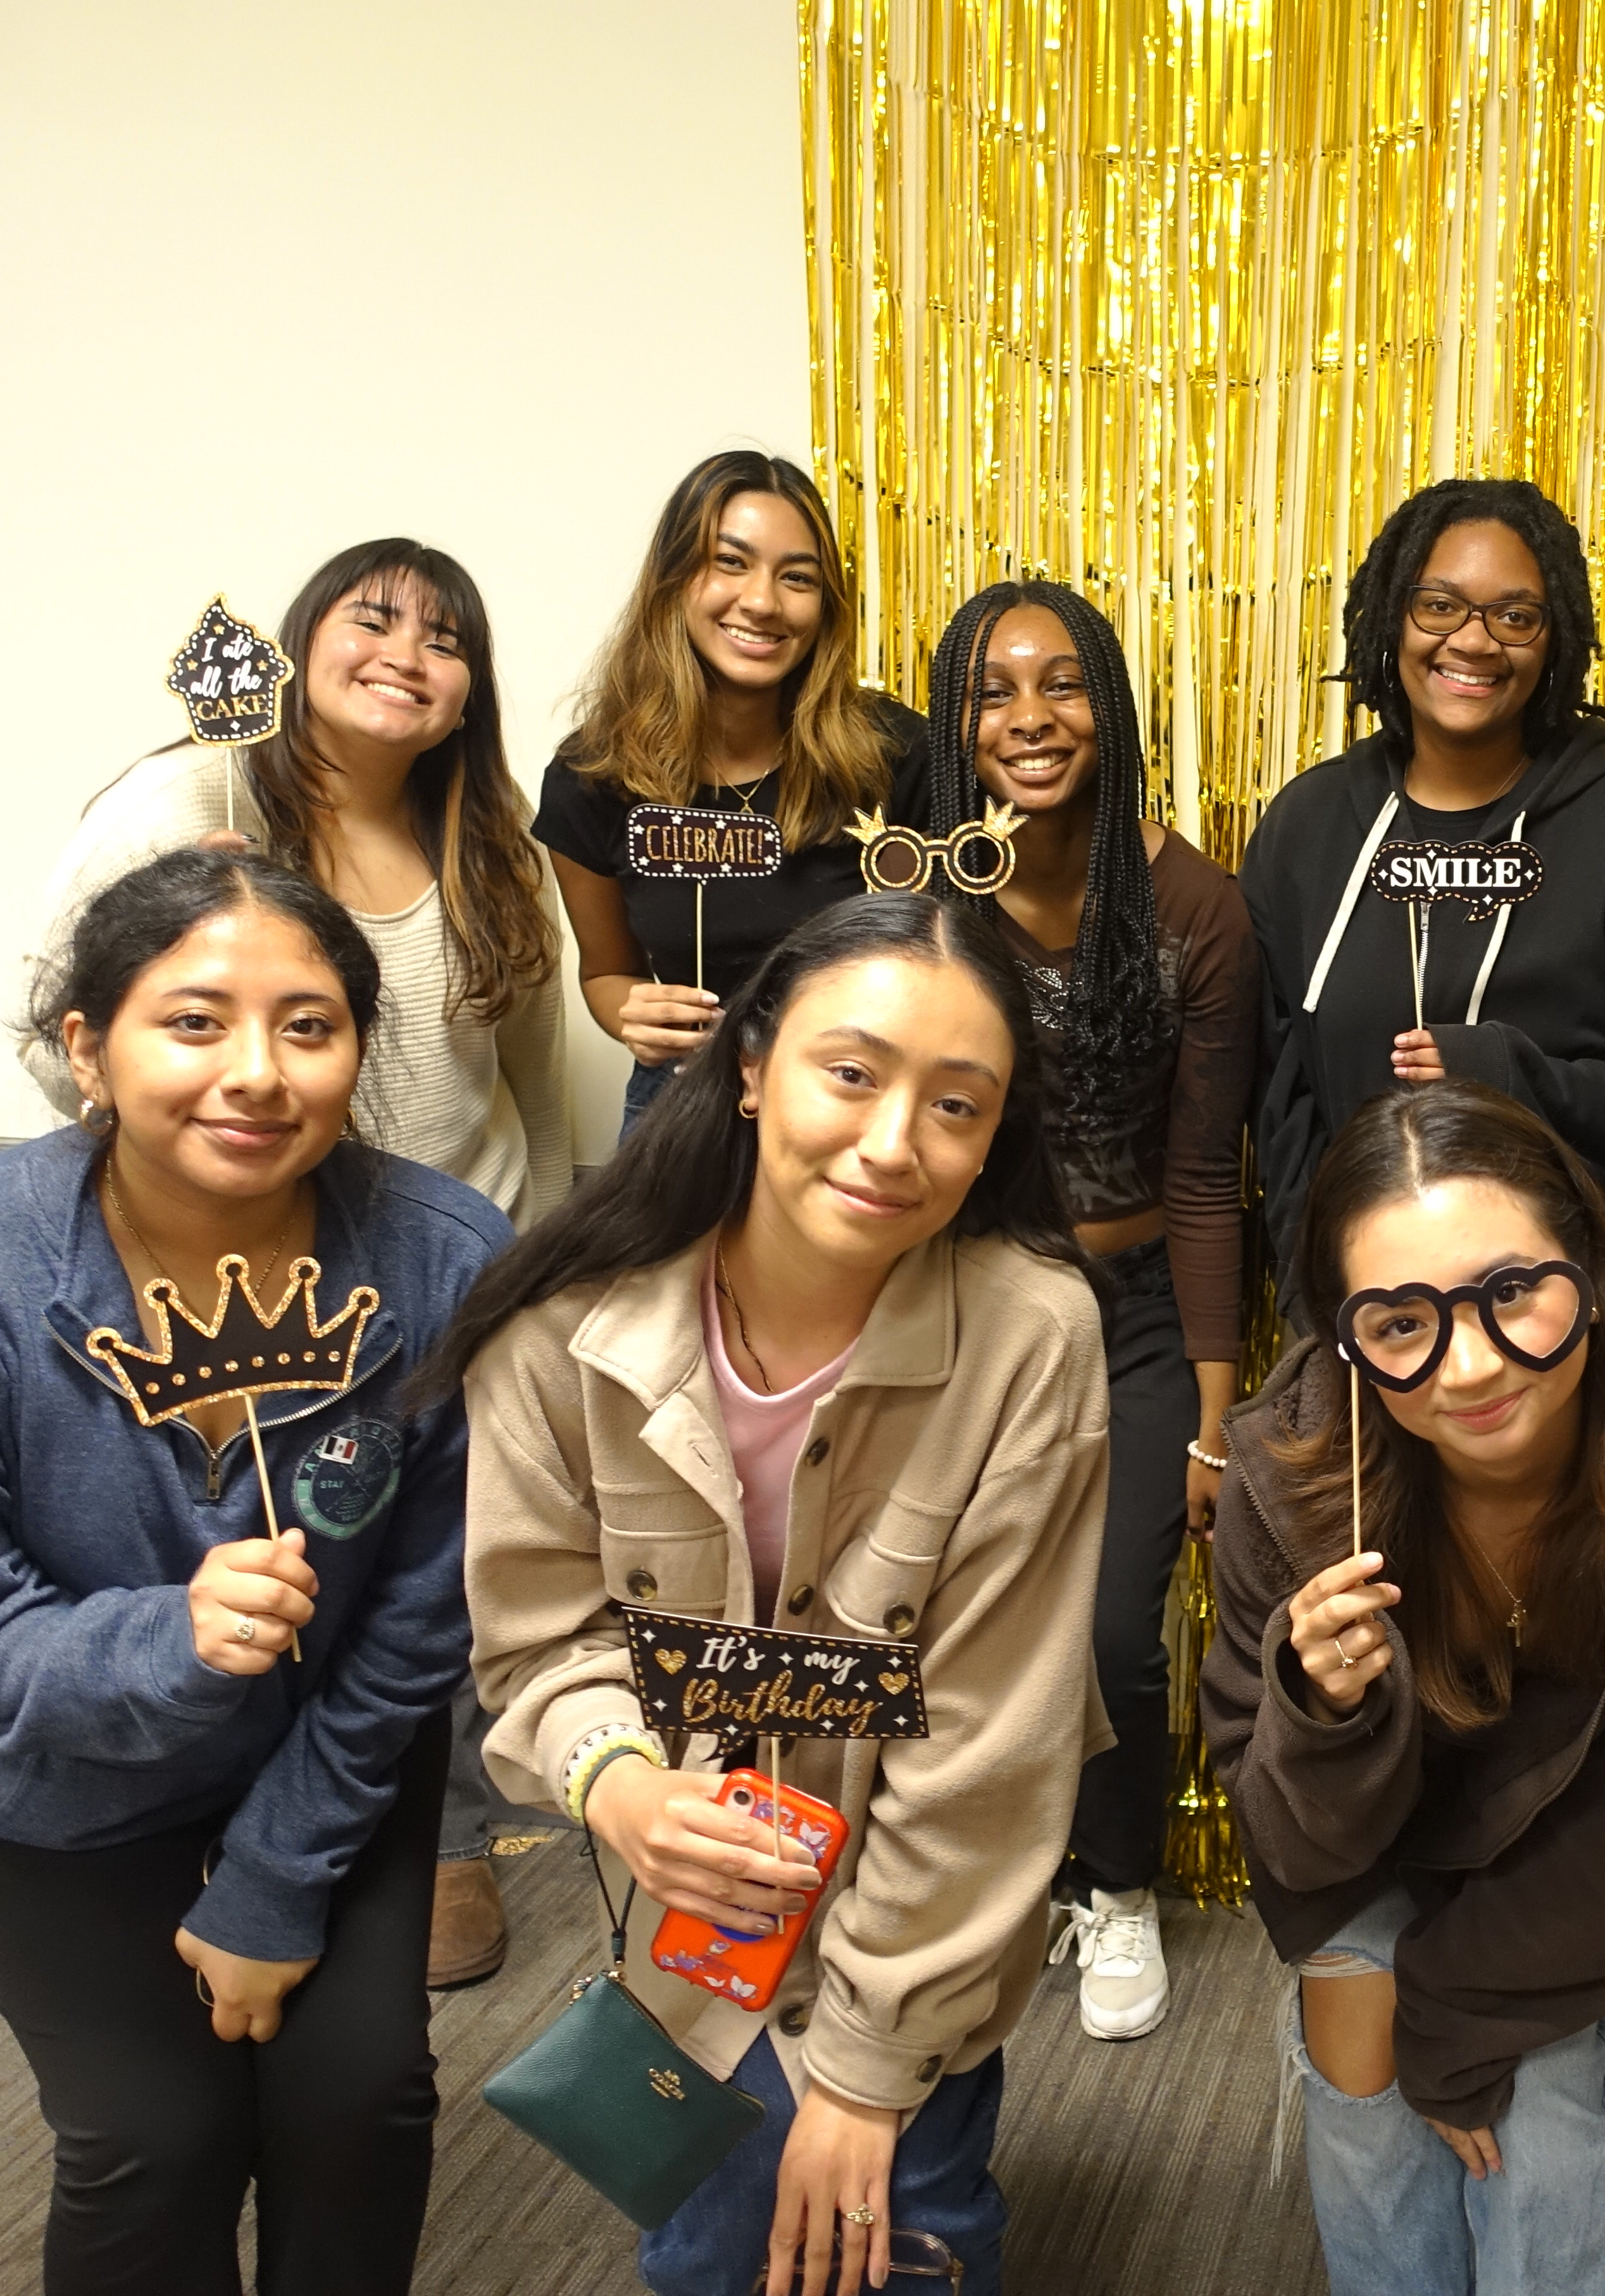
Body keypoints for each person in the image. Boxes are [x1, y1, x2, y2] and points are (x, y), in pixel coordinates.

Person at [0, 849, 511, 2295]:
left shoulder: (446, 1260)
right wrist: (171, 1642)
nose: (254, 1073)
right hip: (34, 1792)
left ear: (358, 1051)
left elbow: (417, 1620)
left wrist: (273, 1882)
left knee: (357, 2106)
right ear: (88, 1047)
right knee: (156, 2135)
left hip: (331, 1753)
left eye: (308, 1025)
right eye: (193, 1021)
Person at [435, 892, 1109, 2296]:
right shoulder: (558, 1324)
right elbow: (541, 1643)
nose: (890, 1144)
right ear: (750, 1069)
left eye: (957, 1106)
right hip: (691, 1942)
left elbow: (988, 1750)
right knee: (715, 2252)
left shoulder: (1031, 1333)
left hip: (919, 1912)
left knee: (898, 2237)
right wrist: (617, 1781)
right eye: (850, 1073)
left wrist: (865, 2075)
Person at [22, 537, 571, 1983]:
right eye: (373, 618)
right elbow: (54, 1017)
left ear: (468, 696)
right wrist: (175, 1172)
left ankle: (445, 1842)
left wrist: (549, 1251)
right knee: (259, 1547)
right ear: (295, 643)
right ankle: (233, 1826)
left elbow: (527, 1065)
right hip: (256, 1259)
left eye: (446, 636)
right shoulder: (186, 798)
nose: (408, 651)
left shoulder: (485, 843)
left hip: (445, 1270)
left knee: (438, 1565)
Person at [1202, 1083, 1605, 2295]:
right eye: (1397, 1324)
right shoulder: (1287, 1475)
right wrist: (1321, 1704)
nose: (1473, 1365)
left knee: (1535, 2097)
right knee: (1355, 2047)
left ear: (1590, 1262)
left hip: (1592, 1834)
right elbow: (1291, 1833)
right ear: (1343, 1337)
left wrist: (1450, 2019)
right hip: (1366, 1838)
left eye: (1511, 1291)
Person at [916, 578, 1260, 2042]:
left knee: (1112, 1624)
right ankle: (1013, 1878)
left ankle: (1116, 1887)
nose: (1029, 718)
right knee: (953, 1614)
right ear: (954, 722)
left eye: (1061, 684)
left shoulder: (1193, 907)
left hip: (1123, 1310)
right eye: (994, 690)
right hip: (953, 1305)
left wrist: (1209, 1414)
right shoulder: (921, 895)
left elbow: (1202, 1181)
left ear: (1108, 710)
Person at [1242, 479, 1605, 1288]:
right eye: (1440, 605)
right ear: (1391, 617)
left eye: (1514, 617)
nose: (1472, 642)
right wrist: (1319, 1283)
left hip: (1597, 1314)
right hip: (1378, 1313)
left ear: (1555, 641)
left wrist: (1512, 1078)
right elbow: (1279, 1092)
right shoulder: (1311, 827)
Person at [531, 449, 930, 1133]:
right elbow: (606, 976)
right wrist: (635, 1015)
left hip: (864, 1102)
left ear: (826, 605)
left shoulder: (898, 756)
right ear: (675, 578)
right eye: (731, 562)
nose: (762, 602)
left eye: (796, 577)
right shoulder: (592, 777)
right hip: (685, 1097)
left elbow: (951, 958)